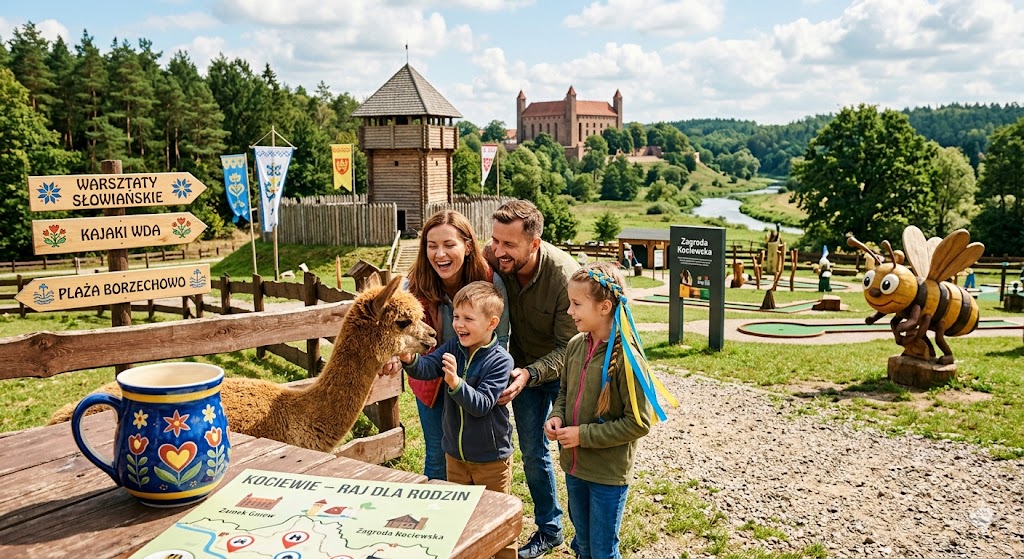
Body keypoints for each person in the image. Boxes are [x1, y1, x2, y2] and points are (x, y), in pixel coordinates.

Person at [545, 262, 666, 559]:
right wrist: (556, 416)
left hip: (607, 476)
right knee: (582, 545)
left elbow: (639, 423)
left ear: (604, 307)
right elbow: (563, 391)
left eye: (576, 304)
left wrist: (583, 435)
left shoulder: (627, 357)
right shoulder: (575, 345)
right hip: (574, 468)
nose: (569, 312)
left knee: (602, 551)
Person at [485, 200, 579, 558]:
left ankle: (583, 536)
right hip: (521, 371)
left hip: (564, 374)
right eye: (495, 241)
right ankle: (550, 529)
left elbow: (568, 348)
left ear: (534, 243)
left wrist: (530, 372)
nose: (498, 251)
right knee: (532, 455)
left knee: (572, 455)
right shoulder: (494, 256)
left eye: (509, 244)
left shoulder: (564, 277)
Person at [401, 281, 516, 559]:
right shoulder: (453, 346)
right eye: (456, 317)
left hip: (490, 459)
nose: (459, 324)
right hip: (455, 456)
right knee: (459, 518)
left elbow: (482, 404)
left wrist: (454, 382)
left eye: (468, 318)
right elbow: (428, 368)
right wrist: (409, 358)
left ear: (492, 323)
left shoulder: (501, 361)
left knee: (495, 519)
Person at [402, 209, 510, 481]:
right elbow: (402, 335)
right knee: (438, 455)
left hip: (477, 376)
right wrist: (402, 357)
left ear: (468, 246)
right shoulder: (415, 284)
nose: (440, 254)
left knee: (476, 450)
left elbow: (502, 337)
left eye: (449, 245)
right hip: (431, 375)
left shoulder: (488, 281)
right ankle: (437, 515)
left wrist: (496, 378)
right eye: (432, 246)